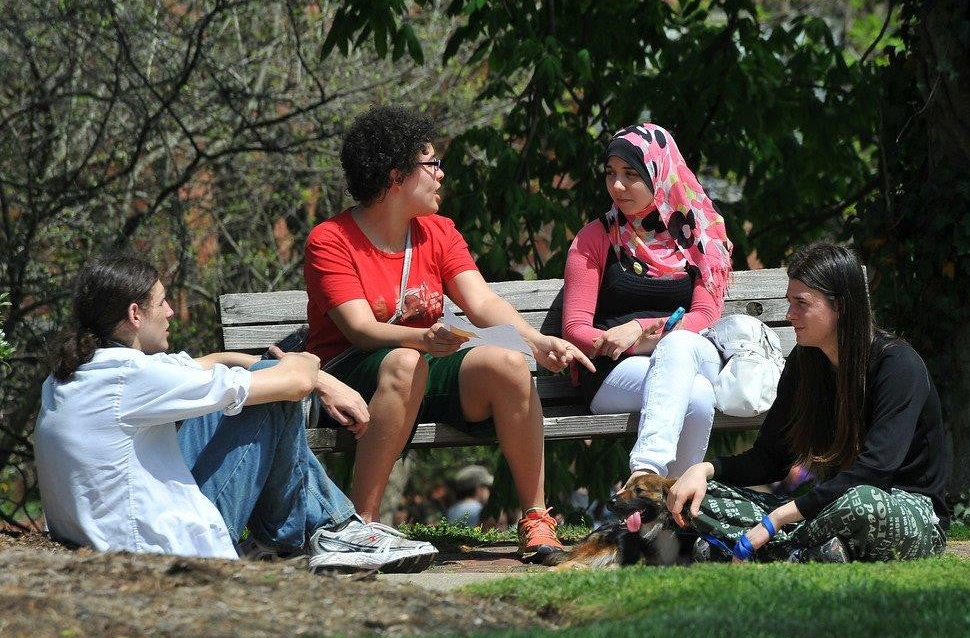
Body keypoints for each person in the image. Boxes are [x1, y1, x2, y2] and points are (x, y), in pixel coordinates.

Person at [303, 105, 595, 563]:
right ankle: (361, 526)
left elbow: (482, 304)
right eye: (431, 164)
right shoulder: (331, 239)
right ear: (396, 176)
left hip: (424, 364)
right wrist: (423, 340)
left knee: (508, 363)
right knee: (405, 361)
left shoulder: (437, 232)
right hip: (353, 377)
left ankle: (536, 519)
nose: (441, 174)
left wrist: (533, 341)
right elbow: (359, 329)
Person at [33, 256, 438, 573]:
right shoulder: (133, 376)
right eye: (163, 302)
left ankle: (318, 532)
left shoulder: (82, 371)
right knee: (270, 391)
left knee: (260, 376)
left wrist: (319, 381)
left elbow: (209, 361)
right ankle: (328, 530)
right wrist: (310, 370)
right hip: (162, 549)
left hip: (113, 538)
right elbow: (288, 386)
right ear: (136, 314)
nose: (172, 312)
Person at [665, 241, 950, 563]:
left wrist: (775, 520)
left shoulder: (898, 365)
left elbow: (874, 471)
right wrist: (705, 469)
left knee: (864, 503)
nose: (790, 315)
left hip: (903, 510)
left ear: (840, 306)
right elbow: (770, 458)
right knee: (702, 497)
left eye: (801, 303)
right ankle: (812, 551)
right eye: (789, 302)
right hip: (826, 508)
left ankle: (767, 545)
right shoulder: (804, 362)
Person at [562, 122, 733, 483]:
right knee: (698, 394)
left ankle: (646, 476)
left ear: (660, 172)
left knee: (680, 346)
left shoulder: (701, 238)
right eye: (611, 174)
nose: (617, 186)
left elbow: (704, 316)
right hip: (614, 370)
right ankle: (675, 508)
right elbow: (575, 328)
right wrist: (614, 343)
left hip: (684, 353)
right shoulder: (596, 237)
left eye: (631, 174)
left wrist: (641, 331)